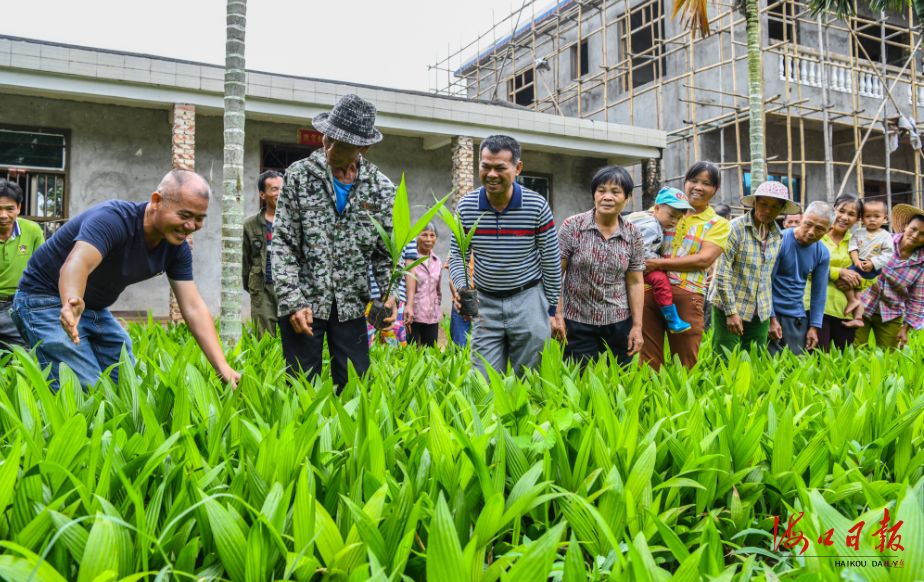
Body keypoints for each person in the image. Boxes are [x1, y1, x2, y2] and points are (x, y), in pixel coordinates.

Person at [10, 170, 239, 389]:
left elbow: (192, 306)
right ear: (157, 201)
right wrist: (71, 300)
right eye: (184, 215)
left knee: (124, 383)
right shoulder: (113, 219)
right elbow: (77, 263)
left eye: (199, 218)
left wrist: (222, 367)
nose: (191, 226)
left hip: (93, 308)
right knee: (84, 387)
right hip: (43, 299)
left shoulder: (176, 249)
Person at [272, 94, 396, 391]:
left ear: (362, 147)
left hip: (352, 304)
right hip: (305, 303)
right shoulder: (299, 176)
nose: (328, 147)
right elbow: (283, 242)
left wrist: (390, 295)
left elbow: (387, 252)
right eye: (328, 138)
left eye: (339, 144)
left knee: (356, 388)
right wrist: (292, 301)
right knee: (301, 389)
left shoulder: (381, 188)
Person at [448, 134, 561, 376]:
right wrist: (462, 287)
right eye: (485, 166)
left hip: (528, 300)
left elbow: (551, 260)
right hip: (485, 303)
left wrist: (550, 310)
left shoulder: (537, 205)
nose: (491, 174)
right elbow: (457, 254)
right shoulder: (467, 207)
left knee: (530, 380)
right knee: (482, 381)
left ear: (517, 168)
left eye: (500, 168)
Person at [640, 161, 731, 370]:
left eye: (706, 183)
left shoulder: (718, 224)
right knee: (647, 361)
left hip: (687, 296)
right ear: (685, 182)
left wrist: (657, 264)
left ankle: (682, 401)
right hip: (648, 292)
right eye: (693, 180)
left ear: (715, 189)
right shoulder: (661, 210)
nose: (698, 187)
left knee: (685, 362)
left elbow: (704, 259)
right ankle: (648, 402)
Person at [555, 166, 646, 366]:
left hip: (619, 323)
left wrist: (637, 326)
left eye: (615, 192)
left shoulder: (633, 234)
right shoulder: (573, 226)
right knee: (580, 383)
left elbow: (635, 282)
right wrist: (557, 314)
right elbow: (555, 274)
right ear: (594, 194)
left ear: (627, 198)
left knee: (619, 383)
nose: (607, 197)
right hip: (577, 321)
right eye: (601, 190)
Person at [710, 181, 797, 359]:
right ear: (756, 202)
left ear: (781, 210)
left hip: (761, 309)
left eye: (774, 207)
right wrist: (731, 312)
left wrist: (771, 317)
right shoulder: (735, 228)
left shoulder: (777, 235)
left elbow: (766, 278)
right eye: (763, 204)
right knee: (725, 358)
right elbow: (722, 272)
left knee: (755, 358)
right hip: (730, 303)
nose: (767, 210)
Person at [854, 204, 924, 349]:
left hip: (891, 313)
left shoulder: (921, 263)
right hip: (862, 304)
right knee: (854, 351)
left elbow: (917, 298)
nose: (915, 235)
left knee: (888, 358)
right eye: (913, 229)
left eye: (922, 234)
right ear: (906, 227)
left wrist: (905, 328)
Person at [626, 187, 694, 333]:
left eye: (678, 218)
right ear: (657, 208)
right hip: (631, 264)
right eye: (671, 215)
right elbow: (641, 251)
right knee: (661, 281)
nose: (675, 221)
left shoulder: (643, 217)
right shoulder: (651, 227)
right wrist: (660, 262)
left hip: (627, 263)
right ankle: (672, 319)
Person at [768, 202, 832, 355]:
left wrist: (814, 327)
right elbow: (766, 282)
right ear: (802, 218)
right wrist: (771, 318)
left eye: (820, 229)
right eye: (808, 224)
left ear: (828, 230)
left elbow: (819, 293)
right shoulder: (780, 240)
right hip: (772, 313)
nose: (811, 232)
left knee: (795, 366)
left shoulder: (822, 252)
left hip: (797, 316)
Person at [815, 195, 864, 350]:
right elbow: (806, 268)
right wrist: (839, 272)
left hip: (845, 312)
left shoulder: (857, 243)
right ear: (833, 210)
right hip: (817, 309)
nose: (844, 217)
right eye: (841, 211)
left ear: (857, 219)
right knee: (817, 360)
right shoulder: (817, 236)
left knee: (844, 364)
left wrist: (857, 280)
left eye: (851, 214)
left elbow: (869, 275)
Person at [0, 180, 45, 349]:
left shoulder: (32, 231)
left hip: (18, 306)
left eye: (9, 209)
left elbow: (42, 269)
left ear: (18, 208)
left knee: (25, 356)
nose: (3, 215)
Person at [242, 170, 282, 337]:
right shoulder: (250, 225)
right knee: (264, 338)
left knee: (296, 341)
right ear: (262, 194)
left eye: (282, 188)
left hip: (292, 288)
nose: (279, 193)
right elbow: (244, 263)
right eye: (274, 189)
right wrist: (253, 287)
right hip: (262, 289)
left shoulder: (296, 221)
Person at [843, 199, 893, 327]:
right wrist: (856, 261)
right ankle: (856, 312)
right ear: (862, 219)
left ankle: (856, 308)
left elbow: (888, 253)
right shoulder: (858, 233)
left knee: (862, 291)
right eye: (868, 216)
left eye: (876, 216)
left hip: (873, 268)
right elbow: (853, 248)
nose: (872, 219)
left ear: (885, 219)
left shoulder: (886, 236)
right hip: (858, 264)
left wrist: (873, 262)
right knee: (846, 281)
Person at [404, 223, 442, 347]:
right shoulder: (410, 260)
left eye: (432, 235)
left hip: (432, 315)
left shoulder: (437, 261)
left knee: (430, 352)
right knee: (410, 352)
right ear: (416, 237)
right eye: (424, 235)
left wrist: (438, 307)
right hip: (413, 314)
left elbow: (438, 290)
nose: (428, 239)